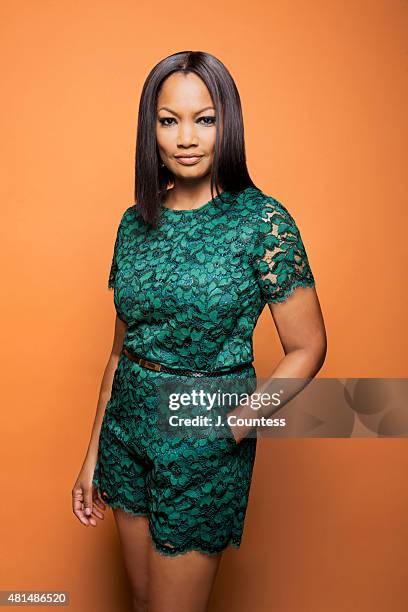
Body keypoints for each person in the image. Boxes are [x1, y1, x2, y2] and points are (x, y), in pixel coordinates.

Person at [72, 50, 326, 612]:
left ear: (226, 124)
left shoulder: (261, 221)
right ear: (152, 130)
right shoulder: (133, 222)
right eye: (169, 120)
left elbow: (308, 347)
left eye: (204, 119)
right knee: (141, 605)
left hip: (201, 431)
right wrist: (92, 456)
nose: (186, 137)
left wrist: (236, 425)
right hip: (126, 431)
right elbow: (120, 352)